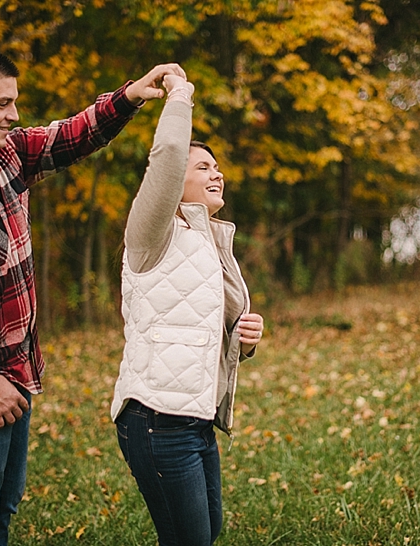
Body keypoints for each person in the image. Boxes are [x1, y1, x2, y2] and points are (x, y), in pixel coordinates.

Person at [0, 46, 185, 546]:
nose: (14, 115)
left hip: (14, 379)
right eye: (2, 104)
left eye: (15, 103)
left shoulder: (6, 156)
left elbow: (70, 136)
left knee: (0, 516)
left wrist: (132, 95)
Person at [110, 74, 264, 545]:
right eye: (202, 167)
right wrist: (180, 96)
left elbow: (193, 329)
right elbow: (168, 157)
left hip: (194, 421)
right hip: (156, 421)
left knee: (206, 531)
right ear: (175, 181)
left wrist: (243, 337)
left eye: (216, 166)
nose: (216, 173)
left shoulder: (210, 239)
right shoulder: (151, 233)